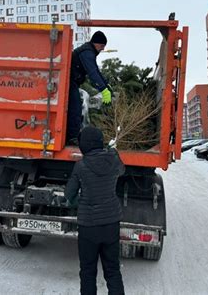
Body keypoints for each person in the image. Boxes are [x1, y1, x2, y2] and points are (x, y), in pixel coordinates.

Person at [65, 126, 125, 295]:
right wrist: (113, 153)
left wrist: (77, 202)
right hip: (111, 223)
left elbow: (69, 195)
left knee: (88, 272)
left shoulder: (81, 166)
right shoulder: (113, 160)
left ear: (84, 145)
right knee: (113, 270)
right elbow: (122, 170)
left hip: (88, 226)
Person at [67, 31, 112, 144]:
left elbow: (97, 71)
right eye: (102, 46)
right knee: (76, 106)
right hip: (69, 81)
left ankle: (72, 135)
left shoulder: (89, 52)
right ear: (96, 43)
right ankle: (72, 137)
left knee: (77, 105)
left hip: (73, 82)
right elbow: (92, 73)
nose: (102, 49)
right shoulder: (87, 52)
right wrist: (103, 90)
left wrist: (107, 87)